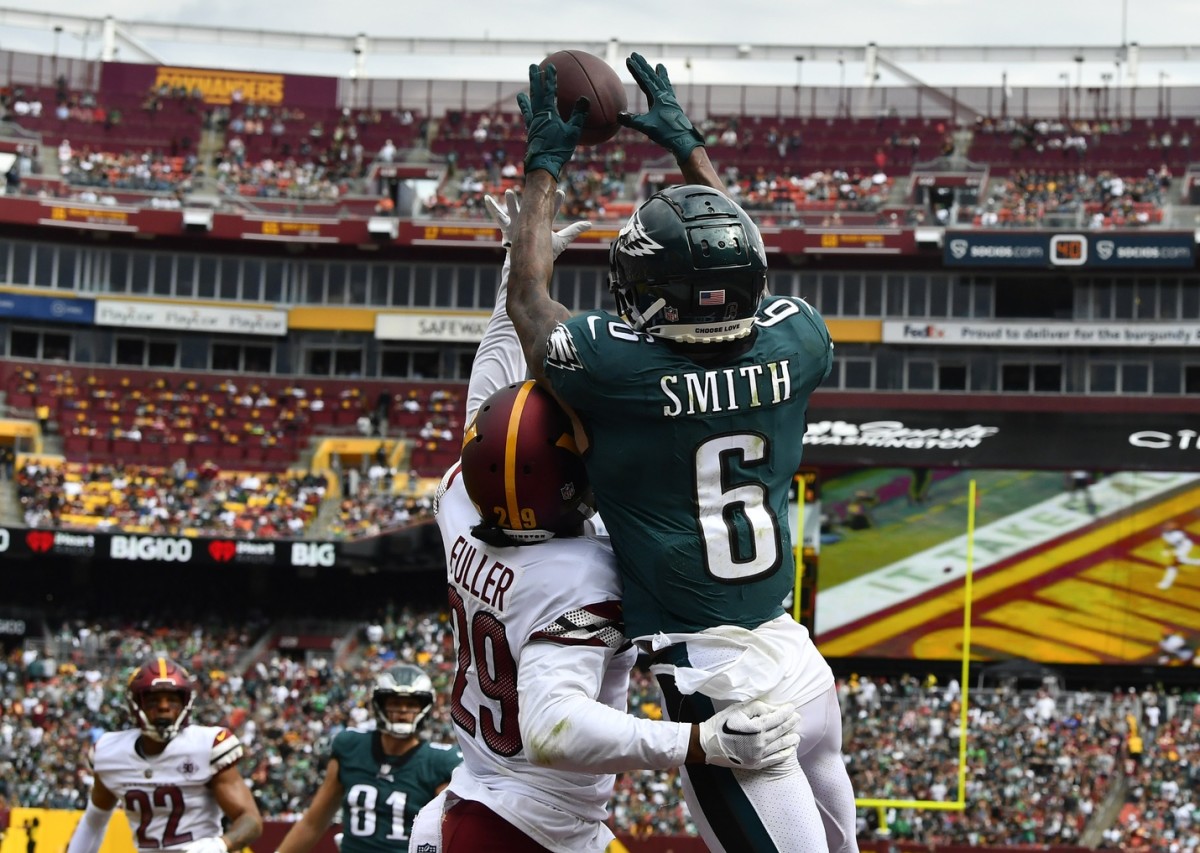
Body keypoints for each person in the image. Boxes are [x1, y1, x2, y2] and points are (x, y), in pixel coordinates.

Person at [506, 54, 859, 851]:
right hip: (798, 659)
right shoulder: (799, 340)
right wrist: (690, 148)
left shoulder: (617, 368)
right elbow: (736, 264)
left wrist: (544, 164)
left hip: (724, 690)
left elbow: (528, 298)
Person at [409, 192, 801, 853]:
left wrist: (520, 268)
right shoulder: (582, 571)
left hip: (483, 793)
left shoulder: (459, 497)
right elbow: (554, 725)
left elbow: (490, 396)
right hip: (531, 829)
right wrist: (697, 743)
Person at [65, 657, 262, 853]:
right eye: (153, 700)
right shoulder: (110, 753)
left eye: (173, 699)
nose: (164, 706)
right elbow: (94, 821)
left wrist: (218, 846)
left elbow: (250, 819)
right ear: (136, 704)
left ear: (186, 703)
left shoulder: (207, 746)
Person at [275, 664, 461, 853]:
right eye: (395, 702)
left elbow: (455, 835)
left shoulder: (439, 762)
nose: (403, 710)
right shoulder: (351, 747)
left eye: (412, 704)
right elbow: (313, 823)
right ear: (380, 704)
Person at [1157, 521, 1200, 590]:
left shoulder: (1178, 534)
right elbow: (1169, 543)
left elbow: (1174, 544)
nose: (1167, 526)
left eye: (1170, 525)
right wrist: (1166, 549)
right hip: (1178, 548)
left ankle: (1166, 583)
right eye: (1167, 525)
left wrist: (1168, 551)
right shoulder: (1164, 534)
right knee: (1182, 561)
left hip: (1184, 547)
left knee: (1173, 564)